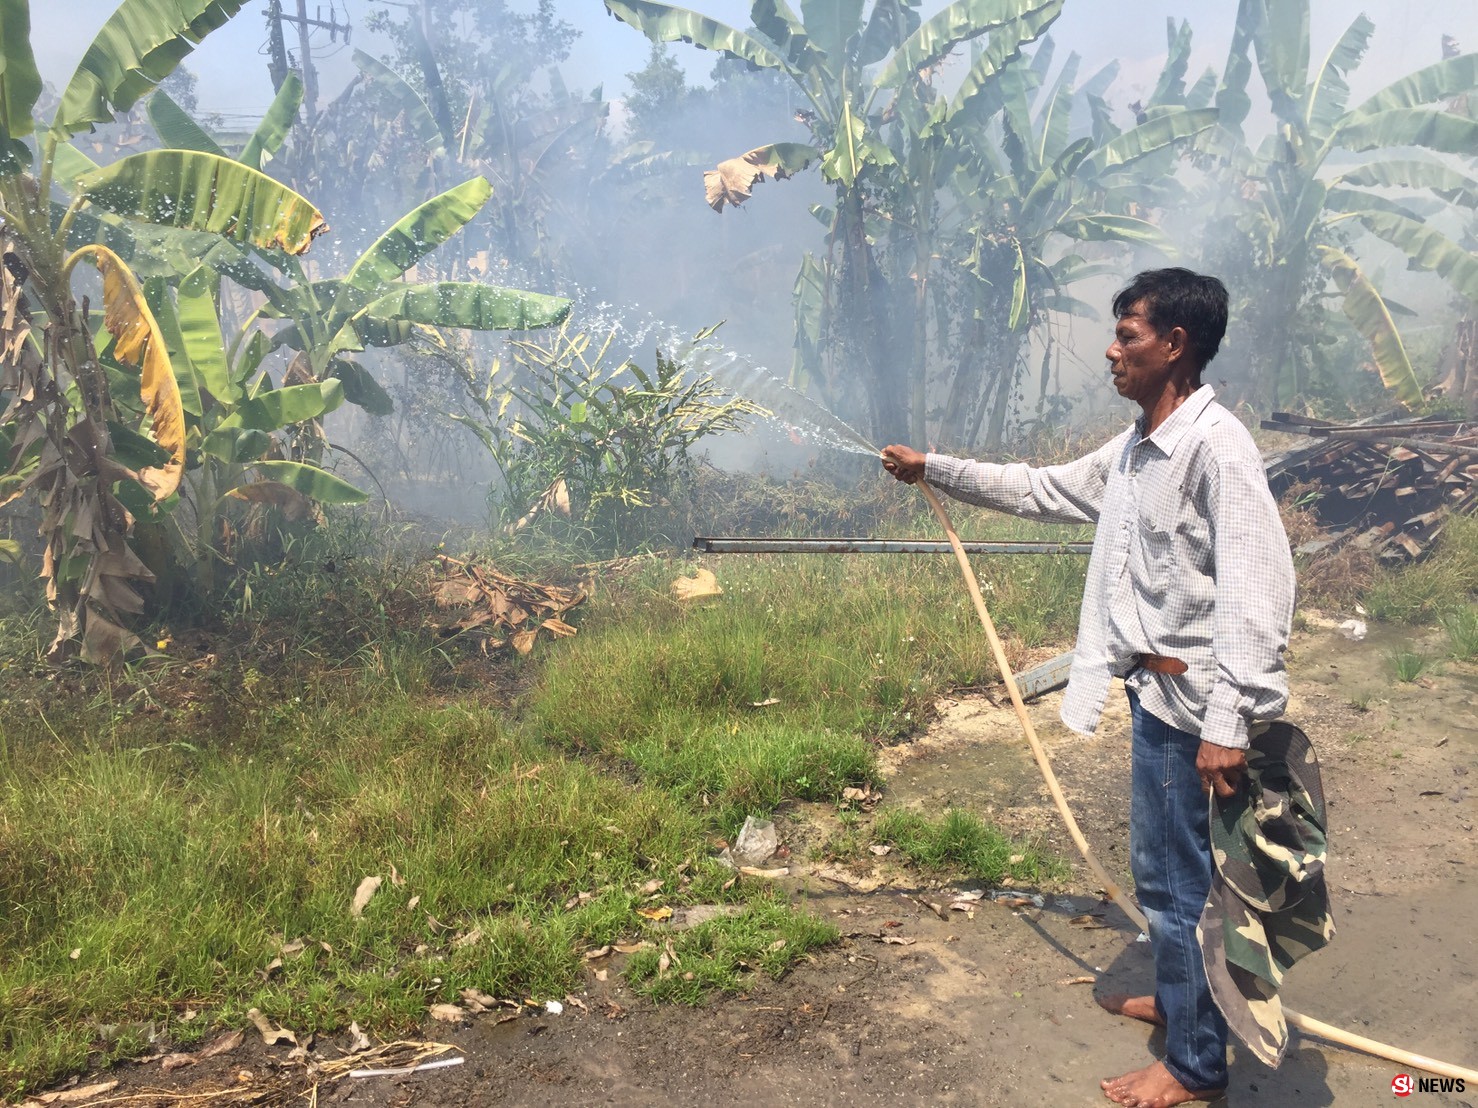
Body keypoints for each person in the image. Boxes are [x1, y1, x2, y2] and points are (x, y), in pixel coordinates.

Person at [881, 268, 1295, 1108]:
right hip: (1157, 701)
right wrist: (937, 469)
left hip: (1196, 712)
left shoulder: (1218, 450)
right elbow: (1043, 488)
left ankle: (1193, 1065)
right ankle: (1184, 1006)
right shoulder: (1141, 444)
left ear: (1175, 344)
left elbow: (1259, 597)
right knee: (1164, 879)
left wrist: (1230, 725)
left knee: (1182, 891)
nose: (1112, 350)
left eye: (1129, 335)